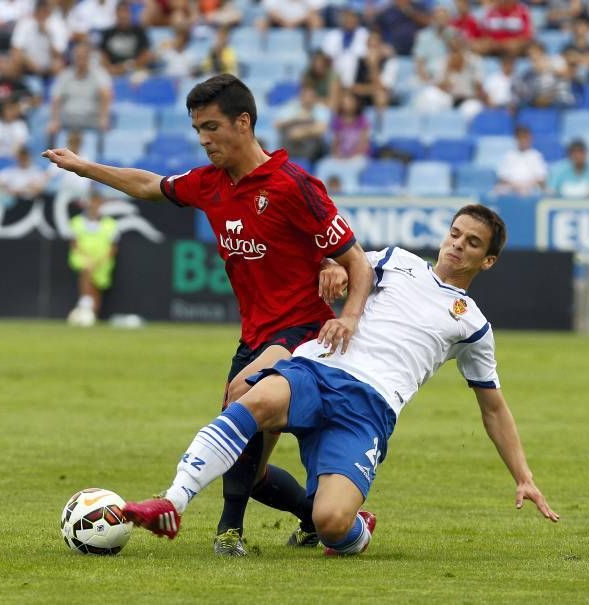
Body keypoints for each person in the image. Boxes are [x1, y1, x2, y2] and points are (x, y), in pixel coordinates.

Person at [43, 73, 373, 557]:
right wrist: (85, 169)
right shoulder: (210, 185)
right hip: (255, 333)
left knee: (240, 400)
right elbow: (149, 185)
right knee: (249, 465)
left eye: (212, 127)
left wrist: (349, 314)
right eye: (197, 128)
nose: (203, 139)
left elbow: (356, 259)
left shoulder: (292, 185)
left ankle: (227, 532)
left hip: (300, 330)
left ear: (244, 122)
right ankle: (313, 518)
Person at [122, 204, 560, 555]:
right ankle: (173, 502)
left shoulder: (474, 325)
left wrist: (523, 476)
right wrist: (331, 264)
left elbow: (493, 408)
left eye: (472, 243)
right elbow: (346, 262)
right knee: (253, 400)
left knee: (332, 524)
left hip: (369, 410)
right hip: (320, 369)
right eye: (455, 233)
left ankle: (353, 527)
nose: (457, 245)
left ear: (489, 260)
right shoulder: (396, 261)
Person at [67, 190, 119, 326]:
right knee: (86, 271)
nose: (94, 205)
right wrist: (87, 258)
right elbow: (74, 244)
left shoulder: (111, 224)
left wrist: (99, 261)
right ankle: (85, 305)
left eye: (97, 202)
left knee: (96, 287)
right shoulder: (76, 221)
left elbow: (113, 248)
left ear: (101, 204)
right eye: (92, 201)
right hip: (82, 257)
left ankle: (91, 316)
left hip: (102, 261)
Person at [496, 125, 547, 195]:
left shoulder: (536, 156)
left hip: (531, 188)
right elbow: (502, 178)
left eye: (525, 138)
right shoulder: (509, 156)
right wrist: (517, 186)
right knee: (499, 189)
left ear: (530, 138)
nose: (523, 140)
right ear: (516, 139)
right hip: (511, 188)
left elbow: (541, 179)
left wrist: (526, 186)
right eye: (520, 138)